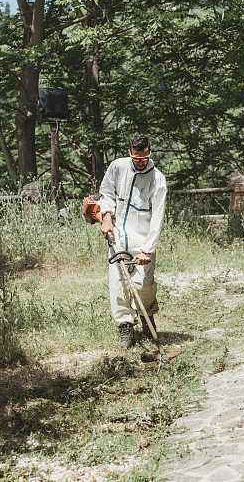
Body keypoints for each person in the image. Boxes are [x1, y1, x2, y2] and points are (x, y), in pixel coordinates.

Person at [99, 134, 168, 349]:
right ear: (130, 153)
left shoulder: (158, 180)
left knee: (144, 285)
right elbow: (107, 193)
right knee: (118, 284)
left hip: (143, 239)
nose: (140, 162)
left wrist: (147, 249)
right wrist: (107, 216)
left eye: (144, 158)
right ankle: (125, 326)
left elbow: (157, 216)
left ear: (149, 152)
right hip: (117, 236)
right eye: (136, 158)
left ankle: (147, 316)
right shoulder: (118, 167)